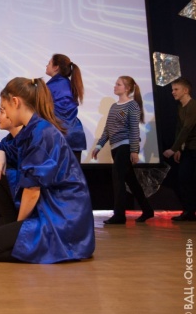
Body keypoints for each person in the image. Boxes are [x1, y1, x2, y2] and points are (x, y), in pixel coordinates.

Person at [0, 77, 95, 263]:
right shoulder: (30, 130)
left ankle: (52, 247)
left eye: (4, 108)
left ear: (15, 102)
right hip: (48, 209)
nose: (3, 114)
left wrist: (19, 228)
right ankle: (15, 226)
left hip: (61, 218)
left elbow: (32, 191)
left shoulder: (41, 132)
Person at [92, 76, 154, 224]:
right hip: (115, 147)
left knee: (118, 179)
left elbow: (134, 129)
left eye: (118, 84)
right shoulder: (114, 106)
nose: (115, 86)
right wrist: (99, 146)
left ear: (127, 88)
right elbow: (108, 129)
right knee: (131, 181)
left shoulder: (132, 105)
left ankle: (119, 215)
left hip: (125, 147)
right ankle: (147, 209)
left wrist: (134, 150)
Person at [162, 77, 196, 221]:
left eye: (176, 89)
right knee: (183, 179)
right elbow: (179, 129)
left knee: (188, 179)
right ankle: (189, 211)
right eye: (172, 89)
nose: (173, 92)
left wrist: (173, 148)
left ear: (185, 90)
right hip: (188, 149)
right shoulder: (180, 107)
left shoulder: (193, 106)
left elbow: (187, 128)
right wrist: (178, 150)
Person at [45, 54, 87, 162]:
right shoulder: (71, 84)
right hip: (75, 135)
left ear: (56, 67)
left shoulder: (50, 86)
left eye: (49, 63)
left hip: (57, 136)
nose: (46, 65)